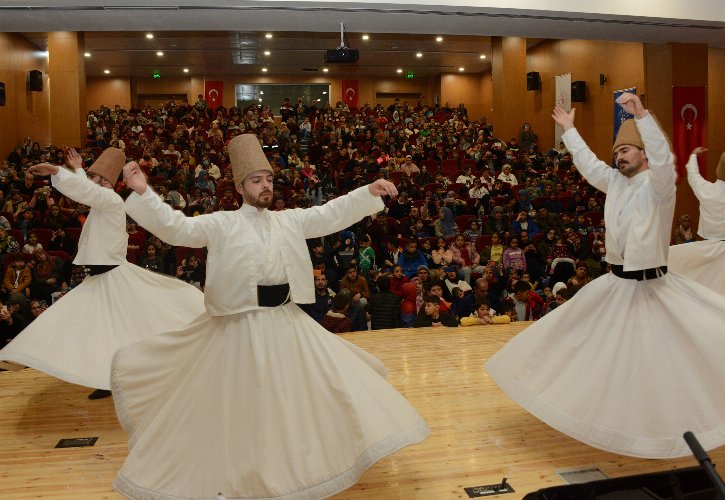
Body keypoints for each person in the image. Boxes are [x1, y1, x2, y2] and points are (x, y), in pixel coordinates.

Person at [113, 133, 428, 499]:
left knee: (305, 394)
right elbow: (177, 228)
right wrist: (143, 192)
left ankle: (298, 464)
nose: (265, 186)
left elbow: (329, 214)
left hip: (285, 321)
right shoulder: (221, 224)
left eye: (268, 180)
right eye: (256, 180)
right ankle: (245, 471)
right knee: (245, 405)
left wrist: (367, 192)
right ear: (239, 187)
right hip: (239, 327)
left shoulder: (288, 220)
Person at [485, 93, 725, 459]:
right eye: (617, 152)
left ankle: (662, 427)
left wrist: (642, 117)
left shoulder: (659, 186)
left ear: (644, 154)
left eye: (626, 150)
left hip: (653, 287)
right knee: (578, 342)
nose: (619, 156)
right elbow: (589, 164)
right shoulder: (615, 182)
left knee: (668, 357)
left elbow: (664, 158)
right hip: (617, 285)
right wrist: (570, 131)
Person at [0, 147, 205, 397]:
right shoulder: (102, 200)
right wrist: (76, 170)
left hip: (111, 276)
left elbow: (86, 191)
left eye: (94, 176)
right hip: (99, 277)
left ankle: (118, 376)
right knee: (89, 325)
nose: (88, 179)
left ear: (105, 181)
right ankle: (102, 375)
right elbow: (87, 190)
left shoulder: (111, 200)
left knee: (118, 327)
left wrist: (57, 171)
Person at [668, 148, 725, 309]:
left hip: (710, 244)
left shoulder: (705, 190)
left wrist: (693, 155)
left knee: (710, 278)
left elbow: (693, 175)